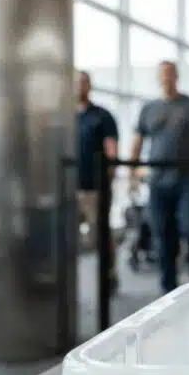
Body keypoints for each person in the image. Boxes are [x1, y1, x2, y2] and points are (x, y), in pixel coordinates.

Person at [130, 61, 189, 292]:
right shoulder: (148, 109)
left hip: (187, 179)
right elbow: (137, 143)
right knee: (162, 233)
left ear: (177, 76)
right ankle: (167, 287)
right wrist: (133, 172)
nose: (167, 78)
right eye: (163, 74)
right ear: (159, 78)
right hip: (158, 181)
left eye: (170, 73)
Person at [75, 70, 119, 293]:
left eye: (83, 82)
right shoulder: (65, 117)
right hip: (69, 189)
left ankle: (110, 276)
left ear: (89, 86)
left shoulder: (102, 116)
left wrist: (109, 175)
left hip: (95, 187)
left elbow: (111, 149)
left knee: (101, 235)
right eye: (76, 83)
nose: (79, 86)